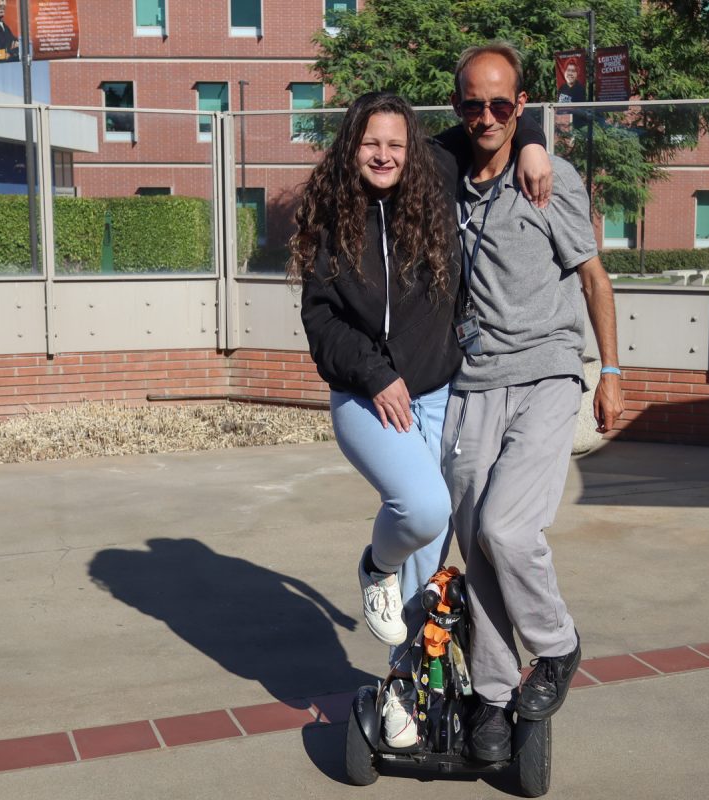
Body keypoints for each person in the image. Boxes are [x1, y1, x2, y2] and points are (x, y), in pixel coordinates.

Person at [290, 91, 553, 750]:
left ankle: (409, 683)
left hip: (441, 391)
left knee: (432, 560)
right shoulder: (330, 215)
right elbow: (320, 320)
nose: (384, 155)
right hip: (364, 398)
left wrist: (537, 140)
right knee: (423, 509)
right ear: (353, 146)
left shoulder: (434, 172)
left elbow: (496, 126)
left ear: (412, 150)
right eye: (371, 143)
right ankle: (375, 566)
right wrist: (376, 376)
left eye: (395, 145)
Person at [441, 42, 624, 762]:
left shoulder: (550, 180)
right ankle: (490, 695)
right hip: (472, 382)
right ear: (458, 108)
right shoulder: (447, 173)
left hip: (547, 372)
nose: (485, 117)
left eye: (500, 105)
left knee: (508, 530)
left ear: (521, 108)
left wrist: (610, 370)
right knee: (473, 543)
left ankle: (556, 645)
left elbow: (595, 280)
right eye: (471, 104)